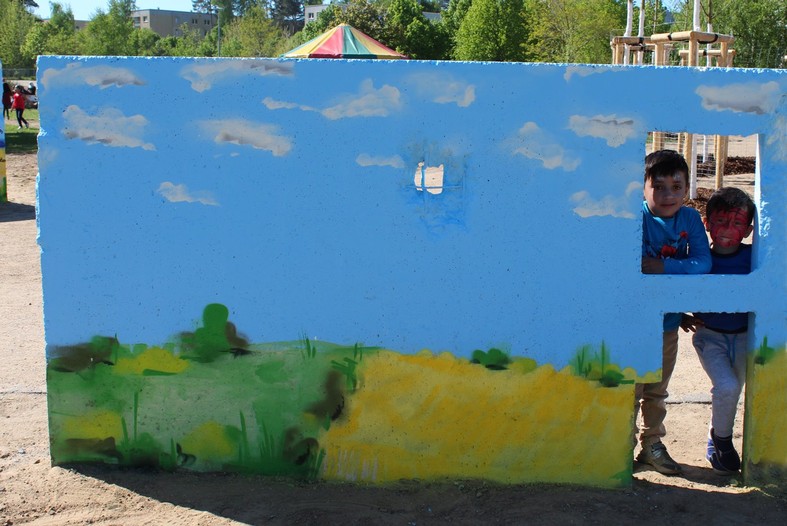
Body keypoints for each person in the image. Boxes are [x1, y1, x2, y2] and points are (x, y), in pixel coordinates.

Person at [637, 149, 712, 475]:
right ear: (642, 187)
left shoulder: (690, 219)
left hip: (667, 324)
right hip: (632, 322)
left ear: (686, 188)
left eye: (676, 187)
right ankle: (620, 447)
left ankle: (651, 444)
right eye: (658, 187)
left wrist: (663, 266)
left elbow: (703, 262)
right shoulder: (635, 218)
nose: (668, 195)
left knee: (657, 390)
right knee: (629, 389)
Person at [680, 187, 755, 474]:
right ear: (707, 223)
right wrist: (679, 315)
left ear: (748, 230)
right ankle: (722, 441)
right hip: (709, 335)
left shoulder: (754, 258)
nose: (728, 229)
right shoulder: (698, 261)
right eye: (721, 221)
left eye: (737, 223)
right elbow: (676, 285)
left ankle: (715, 435)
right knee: (727, 386)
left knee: (732, 391)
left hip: (745, 336)